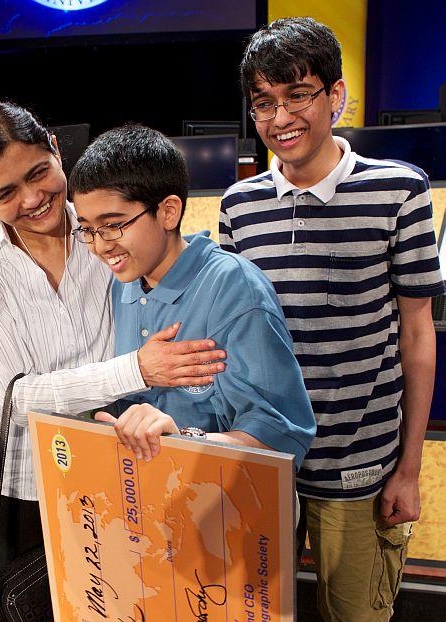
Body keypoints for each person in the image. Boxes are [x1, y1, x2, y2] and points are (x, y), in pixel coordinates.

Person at [219, 17, 446, 622]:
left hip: (360, 461)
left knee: (357, 614)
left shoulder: (399, 191)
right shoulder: (238, 206)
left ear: (336, 95)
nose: (281, 117)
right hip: (263, 460)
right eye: (264, 102)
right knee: (257, 610)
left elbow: (418, 335)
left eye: (299, 94)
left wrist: (409, 468)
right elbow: (233, 337)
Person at [0, 103, 226, 564]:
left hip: (124, 463)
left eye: (39, 173)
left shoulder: (107, 225)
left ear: (56, 150)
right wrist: (136, 369)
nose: (33, 198)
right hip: (27, 480)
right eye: (5, 193)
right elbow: (16, 399)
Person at [68, 124, 316, 469]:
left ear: (168, 212)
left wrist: (181, 440)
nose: (99, 245)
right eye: (87, 229)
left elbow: (281, 436)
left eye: (113, 225)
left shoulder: (234, 288)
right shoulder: (122, 282)